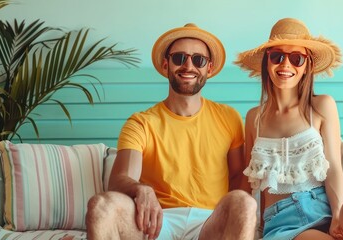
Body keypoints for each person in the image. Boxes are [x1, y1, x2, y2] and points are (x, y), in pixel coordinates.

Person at [235, 18, 343, 240]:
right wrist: (253, 229)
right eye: (277, 56)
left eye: (296, 59)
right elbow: (251, 188)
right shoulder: (253, 118)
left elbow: (333, 166)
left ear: (307, 66)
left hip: (324, 207)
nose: (286, 65)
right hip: (283, 222)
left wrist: (336, 215)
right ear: (267, 61)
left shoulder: (322, 106)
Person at [85, 23, 257, 240]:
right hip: (155, 223)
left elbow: (237, 177)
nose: (188, 66)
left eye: (198, 60)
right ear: (166, 64)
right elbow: (120, 178)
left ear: (209, 68)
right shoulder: (141, 123)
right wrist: (141, 189)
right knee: (101, 205)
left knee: (245, 203)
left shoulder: (229, 117)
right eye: (179, 58)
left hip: (210, 222)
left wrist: (227, 218)